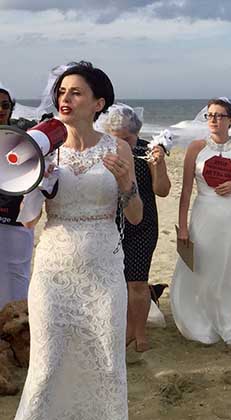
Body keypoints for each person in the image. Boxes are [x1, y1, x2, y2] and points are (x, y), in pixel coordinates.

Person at [14, 61, 143, 420]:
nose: (65, 97)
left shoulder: (119, 149)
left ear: (98, 103)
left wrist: (127, 186)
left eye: (76, 91)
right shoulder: (42, 148)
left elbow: (135, 216)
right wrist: (37, 183)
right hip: (53, 271)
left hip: (103, 270)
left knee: (105, 360)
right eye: (61, 91)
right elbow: (28, 220)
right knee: (46, 364)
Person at [171, 97, 231, 345]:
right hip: (204, 212)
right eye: (210, 115)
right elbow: (187, 190)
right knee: (204, 267)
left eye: (219, 115)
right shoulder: (196, 148)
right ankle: (203, 318)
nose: (213, 120)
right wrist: (183, 227)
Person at [100, 103, 171, 352]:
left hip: (143, 224)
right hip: (108, 223)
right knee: (113, 281)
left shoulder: (147, 151)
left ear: (136, 133)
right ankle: (120, 328)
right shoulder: (103, 152)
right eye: (116, 138)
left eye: (127, 139)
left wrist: (159, 164)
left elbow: (162, 190)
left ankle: (139, 332)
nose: (123, 145)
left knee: (137, 282)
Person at [0, 84, 34, 310]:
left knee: (16, 285)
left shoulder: (22, 139)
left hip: (15, 222)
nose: (1, 110)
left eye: (5, 105)